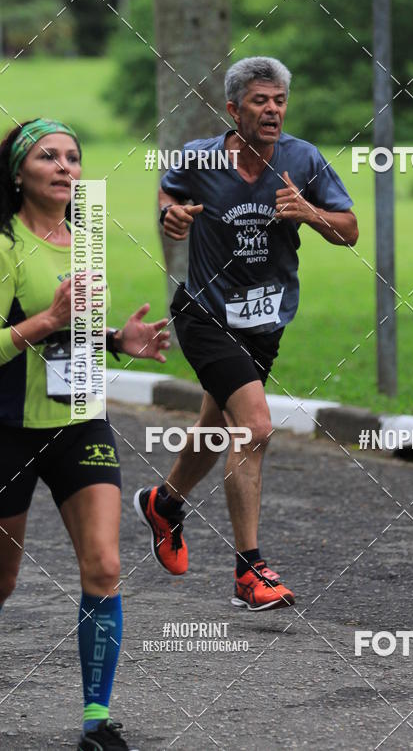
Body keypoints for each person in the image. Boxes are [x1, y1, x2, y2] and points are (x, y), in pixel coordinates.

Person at [134, 57, 358, 611]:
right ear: (234, 110)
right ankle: (248, 572)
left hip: (264, 322)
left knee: (215, 426)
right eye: (261, 101)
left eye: (279, 100)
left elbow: (349, 231)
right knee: (254, 427)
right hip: (205, 314)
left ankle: (165, 503)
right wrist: (171, 217)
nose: (273, 110)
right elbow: (169, 194)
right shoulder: (200, 157)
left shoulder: (303, 159)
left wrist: (308, 212)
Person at [0, 119, 170, 750]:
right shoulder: (4, 245)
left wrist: (118, 341)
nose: (65, 167)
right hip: (9, 429)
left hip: (80, 422)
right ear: (19, 174)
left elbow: (76, 331)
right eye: (48, 157)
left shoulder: (86, 239)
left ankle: (97, 721)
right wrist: (46, 320)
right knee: (2, 582)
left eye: (73, 157)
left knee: (104, 565)